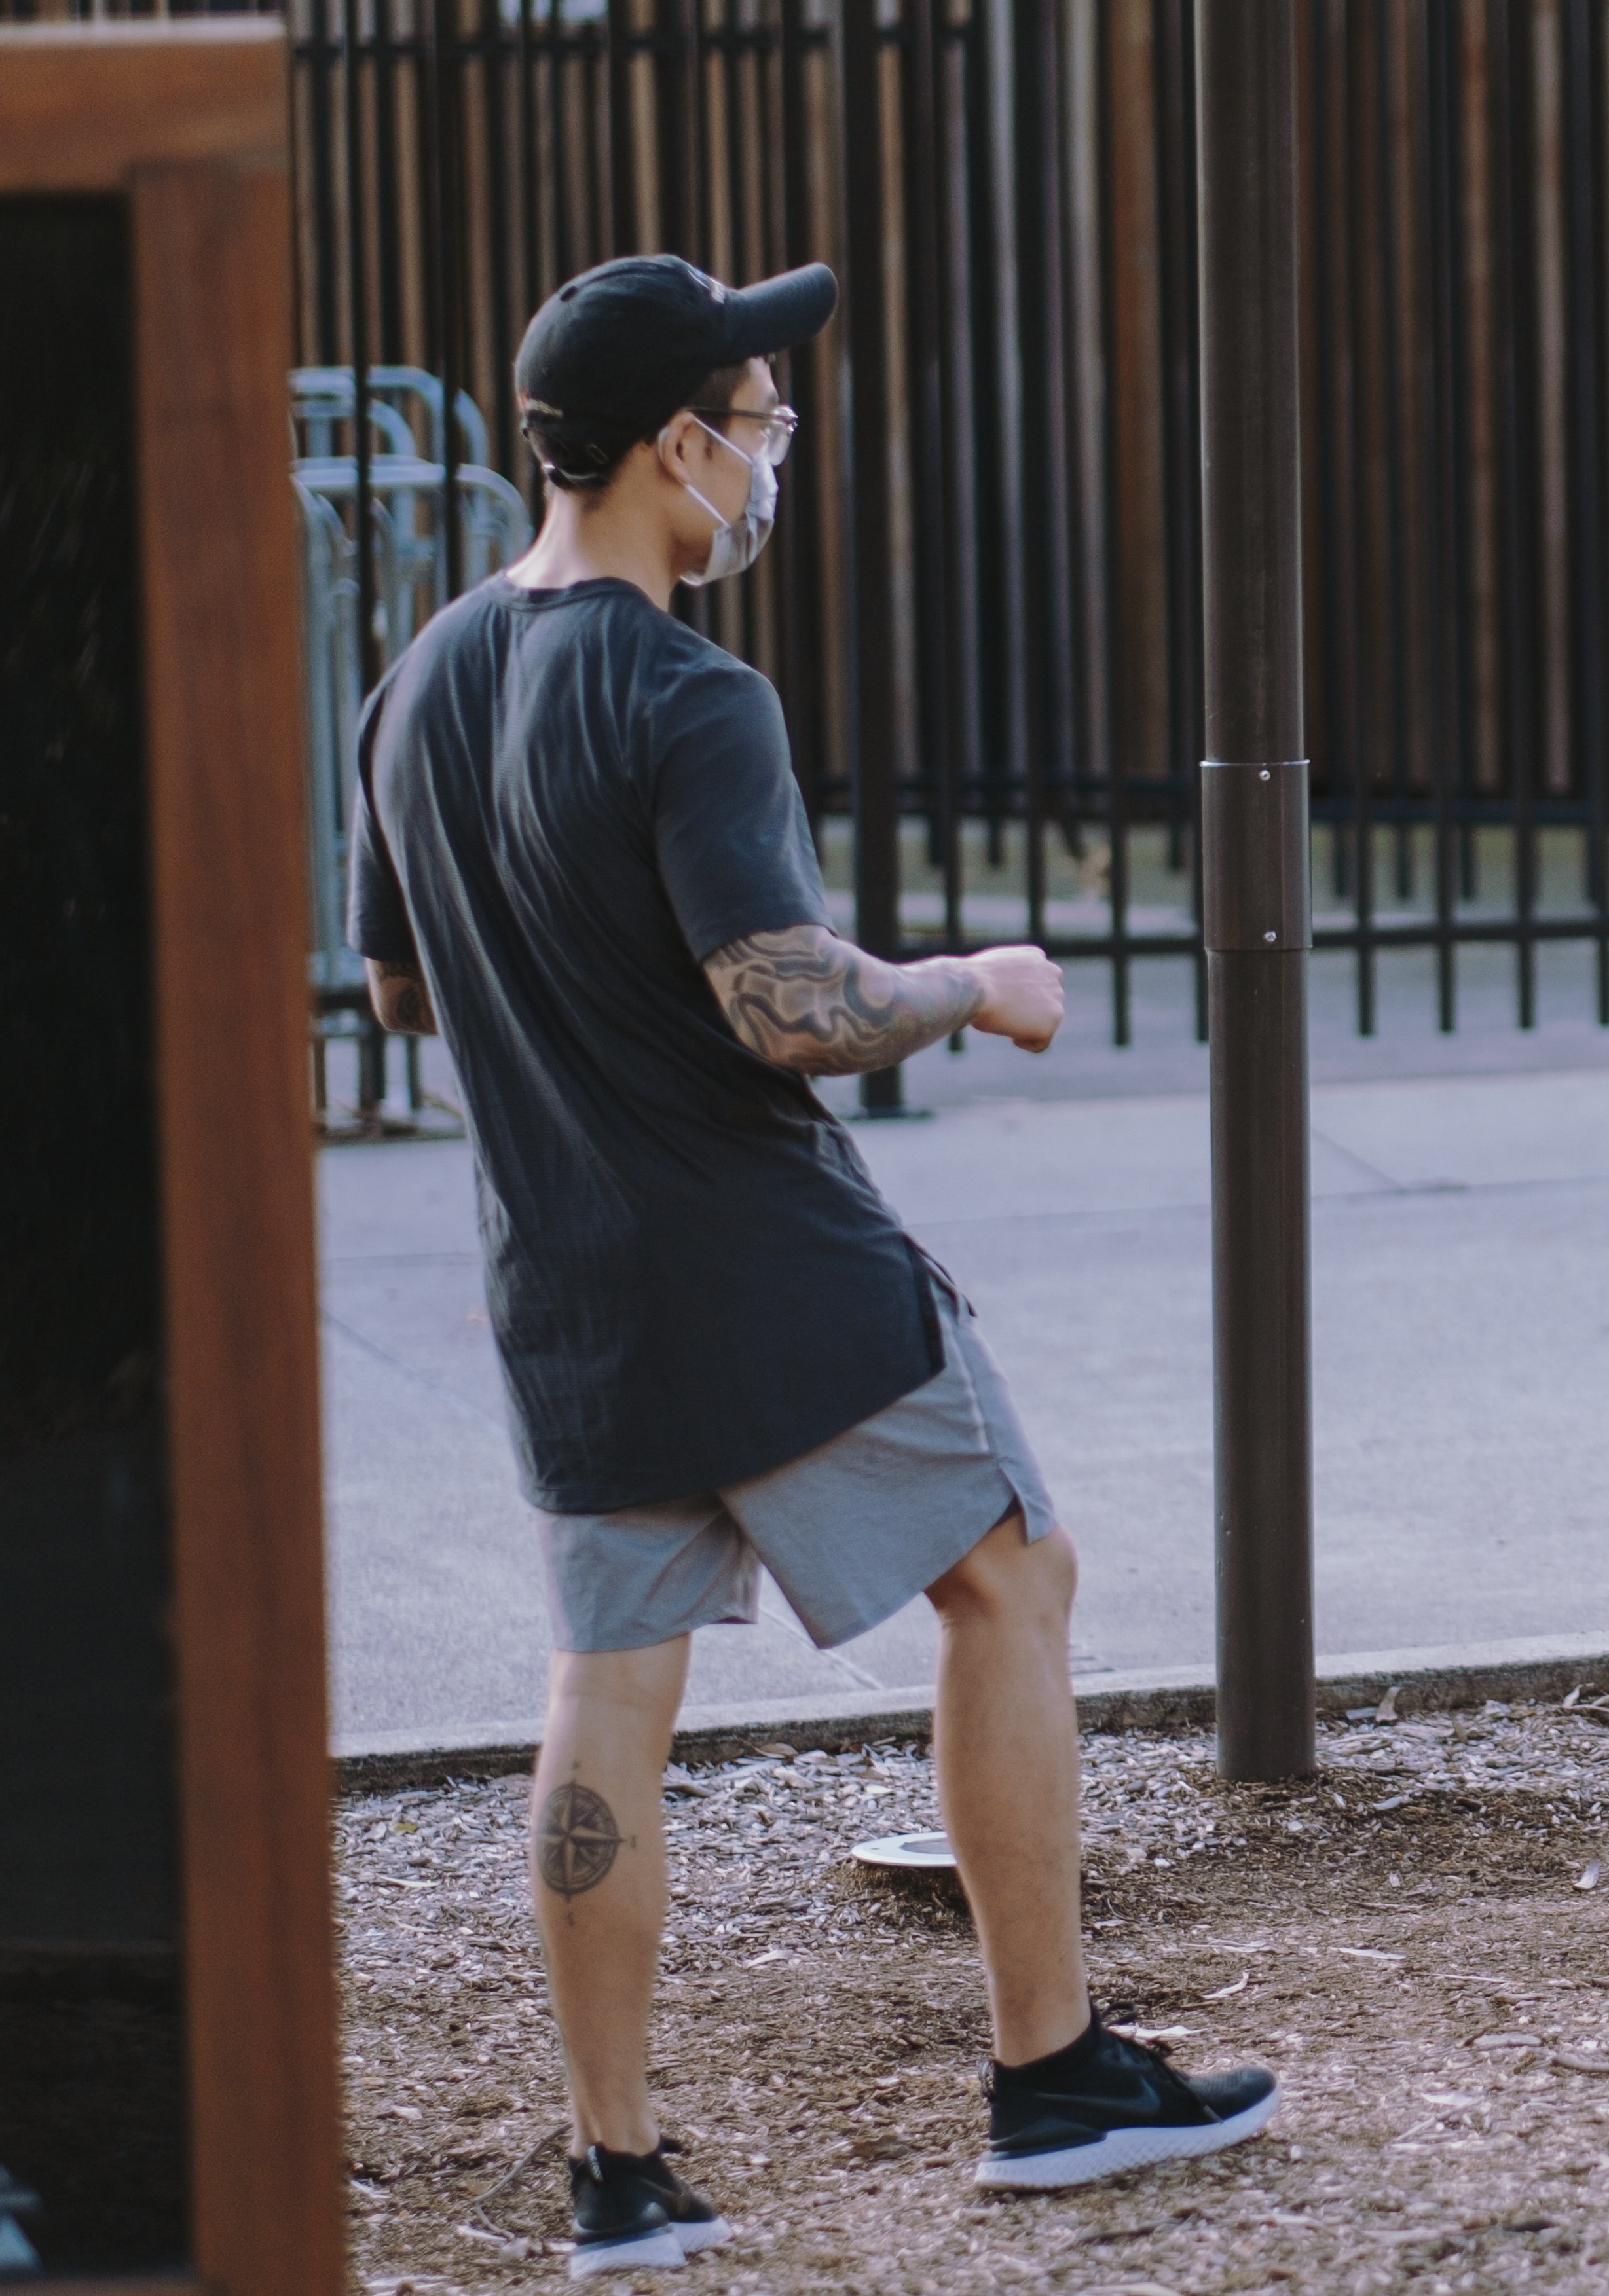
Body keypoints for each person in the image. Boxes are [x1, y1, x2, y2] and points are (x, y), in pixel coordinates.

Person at [348, 255, 1276, 2276]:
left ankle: (618, 2172)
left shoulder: (410, 687)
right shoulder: (691, 691)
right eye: (757, 420)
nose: (771, 455)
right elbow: (785, 1005)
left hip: (568, 1296)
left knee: (606, 1684)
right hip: (769, 1262)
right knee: (1011, 1569)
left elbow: (406, 986)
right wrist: (978, 980)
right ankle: (1052, 2077)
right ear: (675, 443)